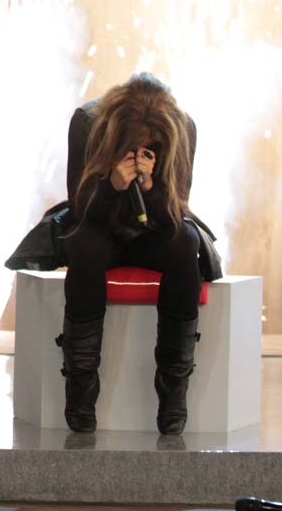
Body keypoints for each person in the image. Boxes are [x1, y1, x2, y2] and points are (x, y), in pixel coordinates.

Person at [60, 73, 202, 435]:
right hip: (101, 227)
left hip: (152, 230)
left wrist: (151, 189)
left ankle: (174, 391)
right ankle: (80, 388)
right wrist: (112, 186)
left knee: (186, 242)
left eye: (150, 146)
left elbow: (176, 212)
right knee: (86, 246)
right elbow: (79, 209)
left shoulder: (183, 128)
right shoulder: (88, 123)